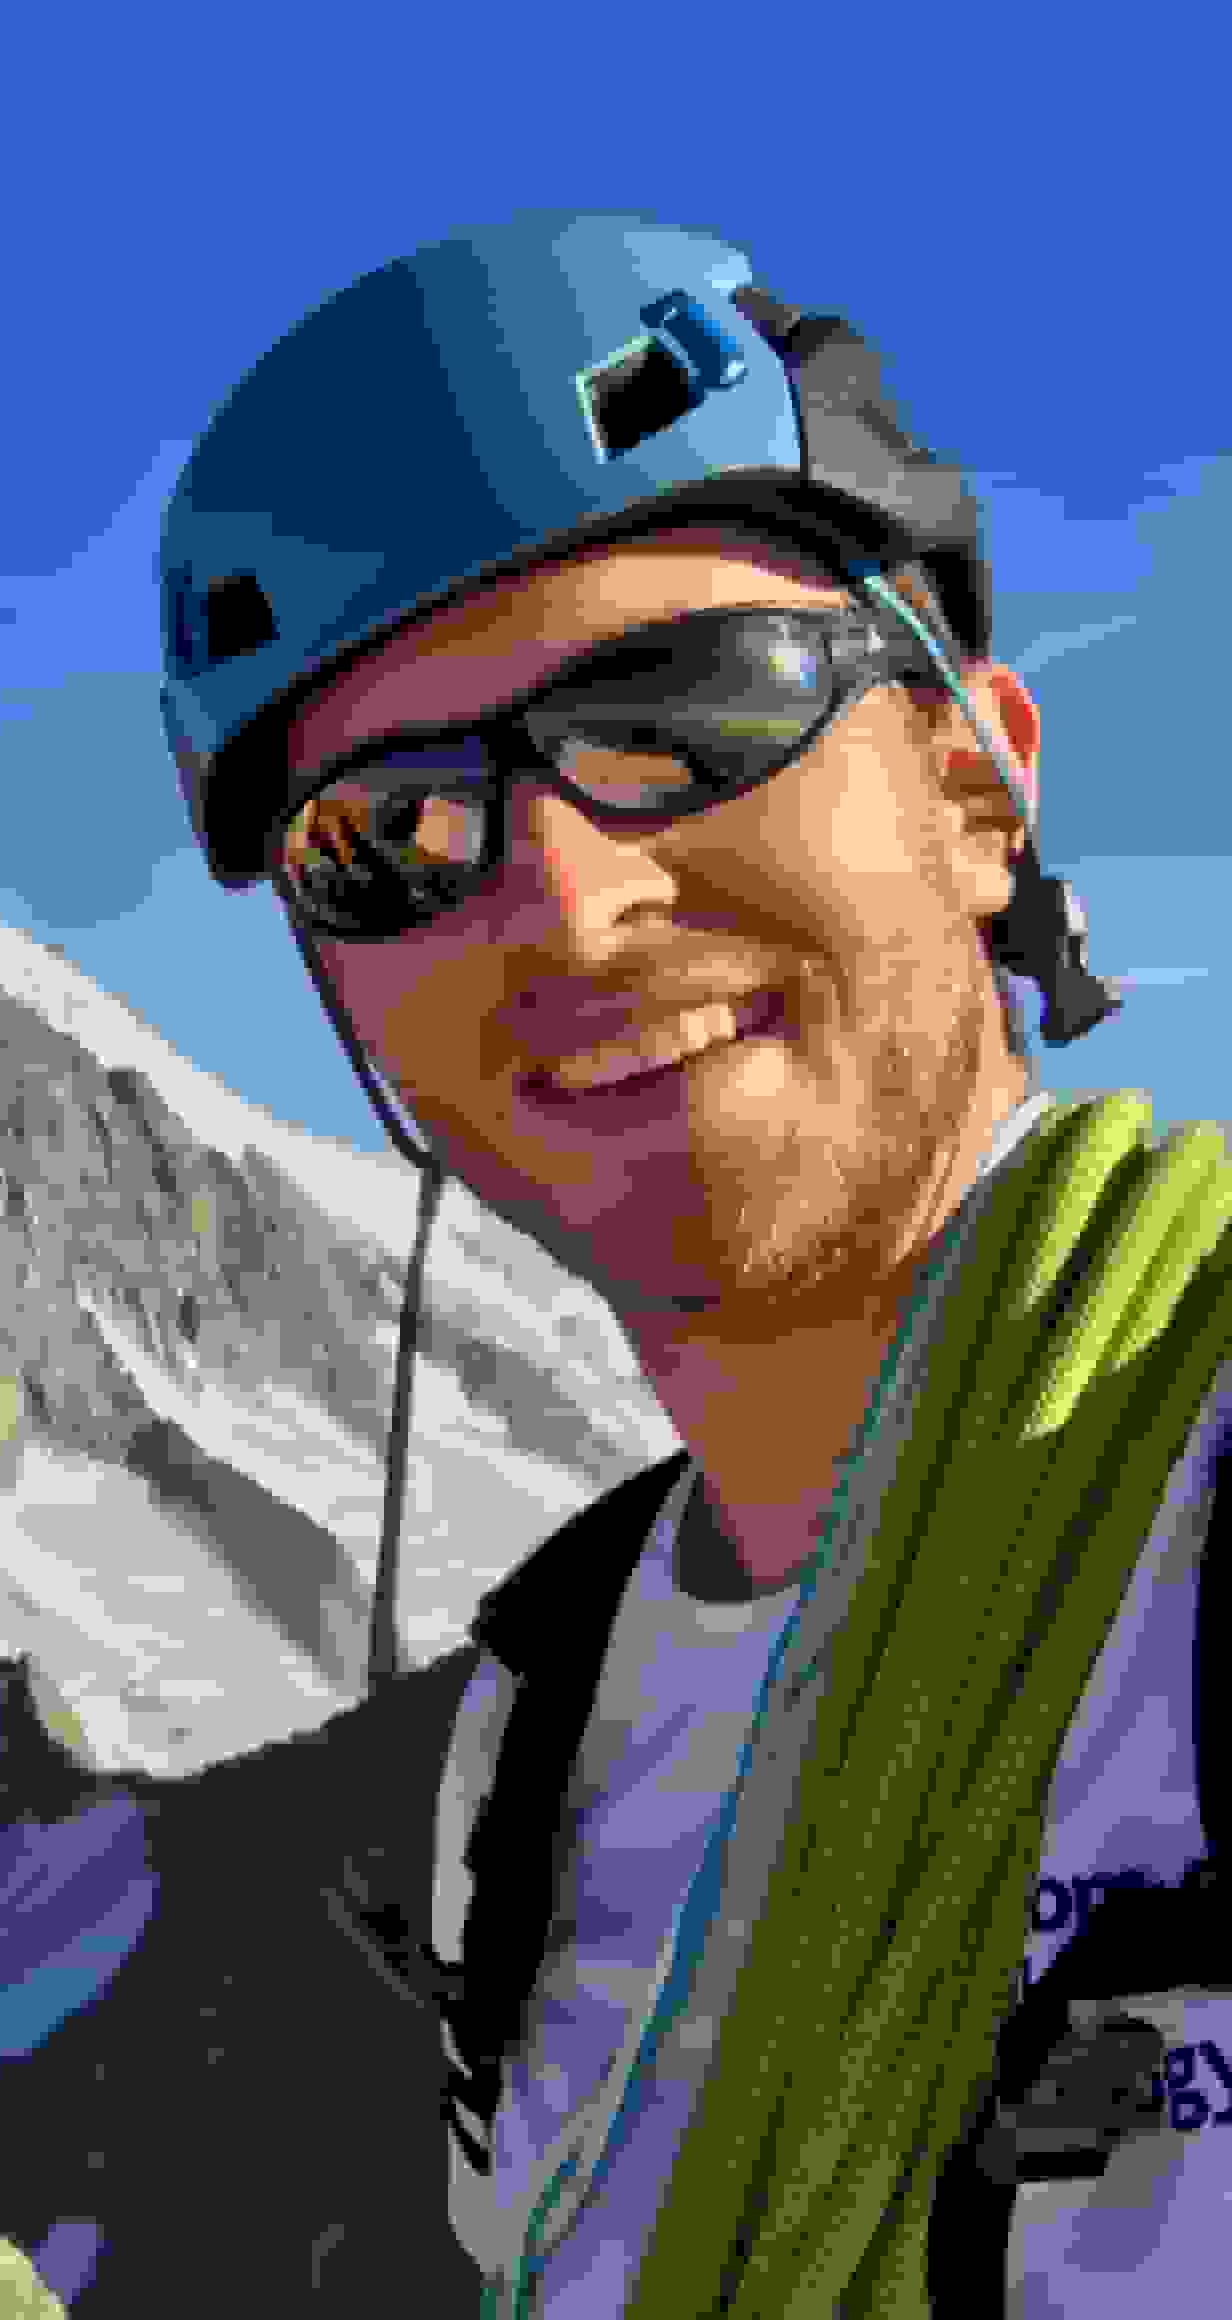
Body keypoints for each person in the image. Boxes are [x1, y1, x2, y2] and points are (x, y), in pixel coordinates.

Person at [156, 212, 1225, 2312]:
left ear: (969, 781)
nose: (557, 893)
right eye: (384, 837)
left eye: (674, 708)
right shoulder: (524, 1752)